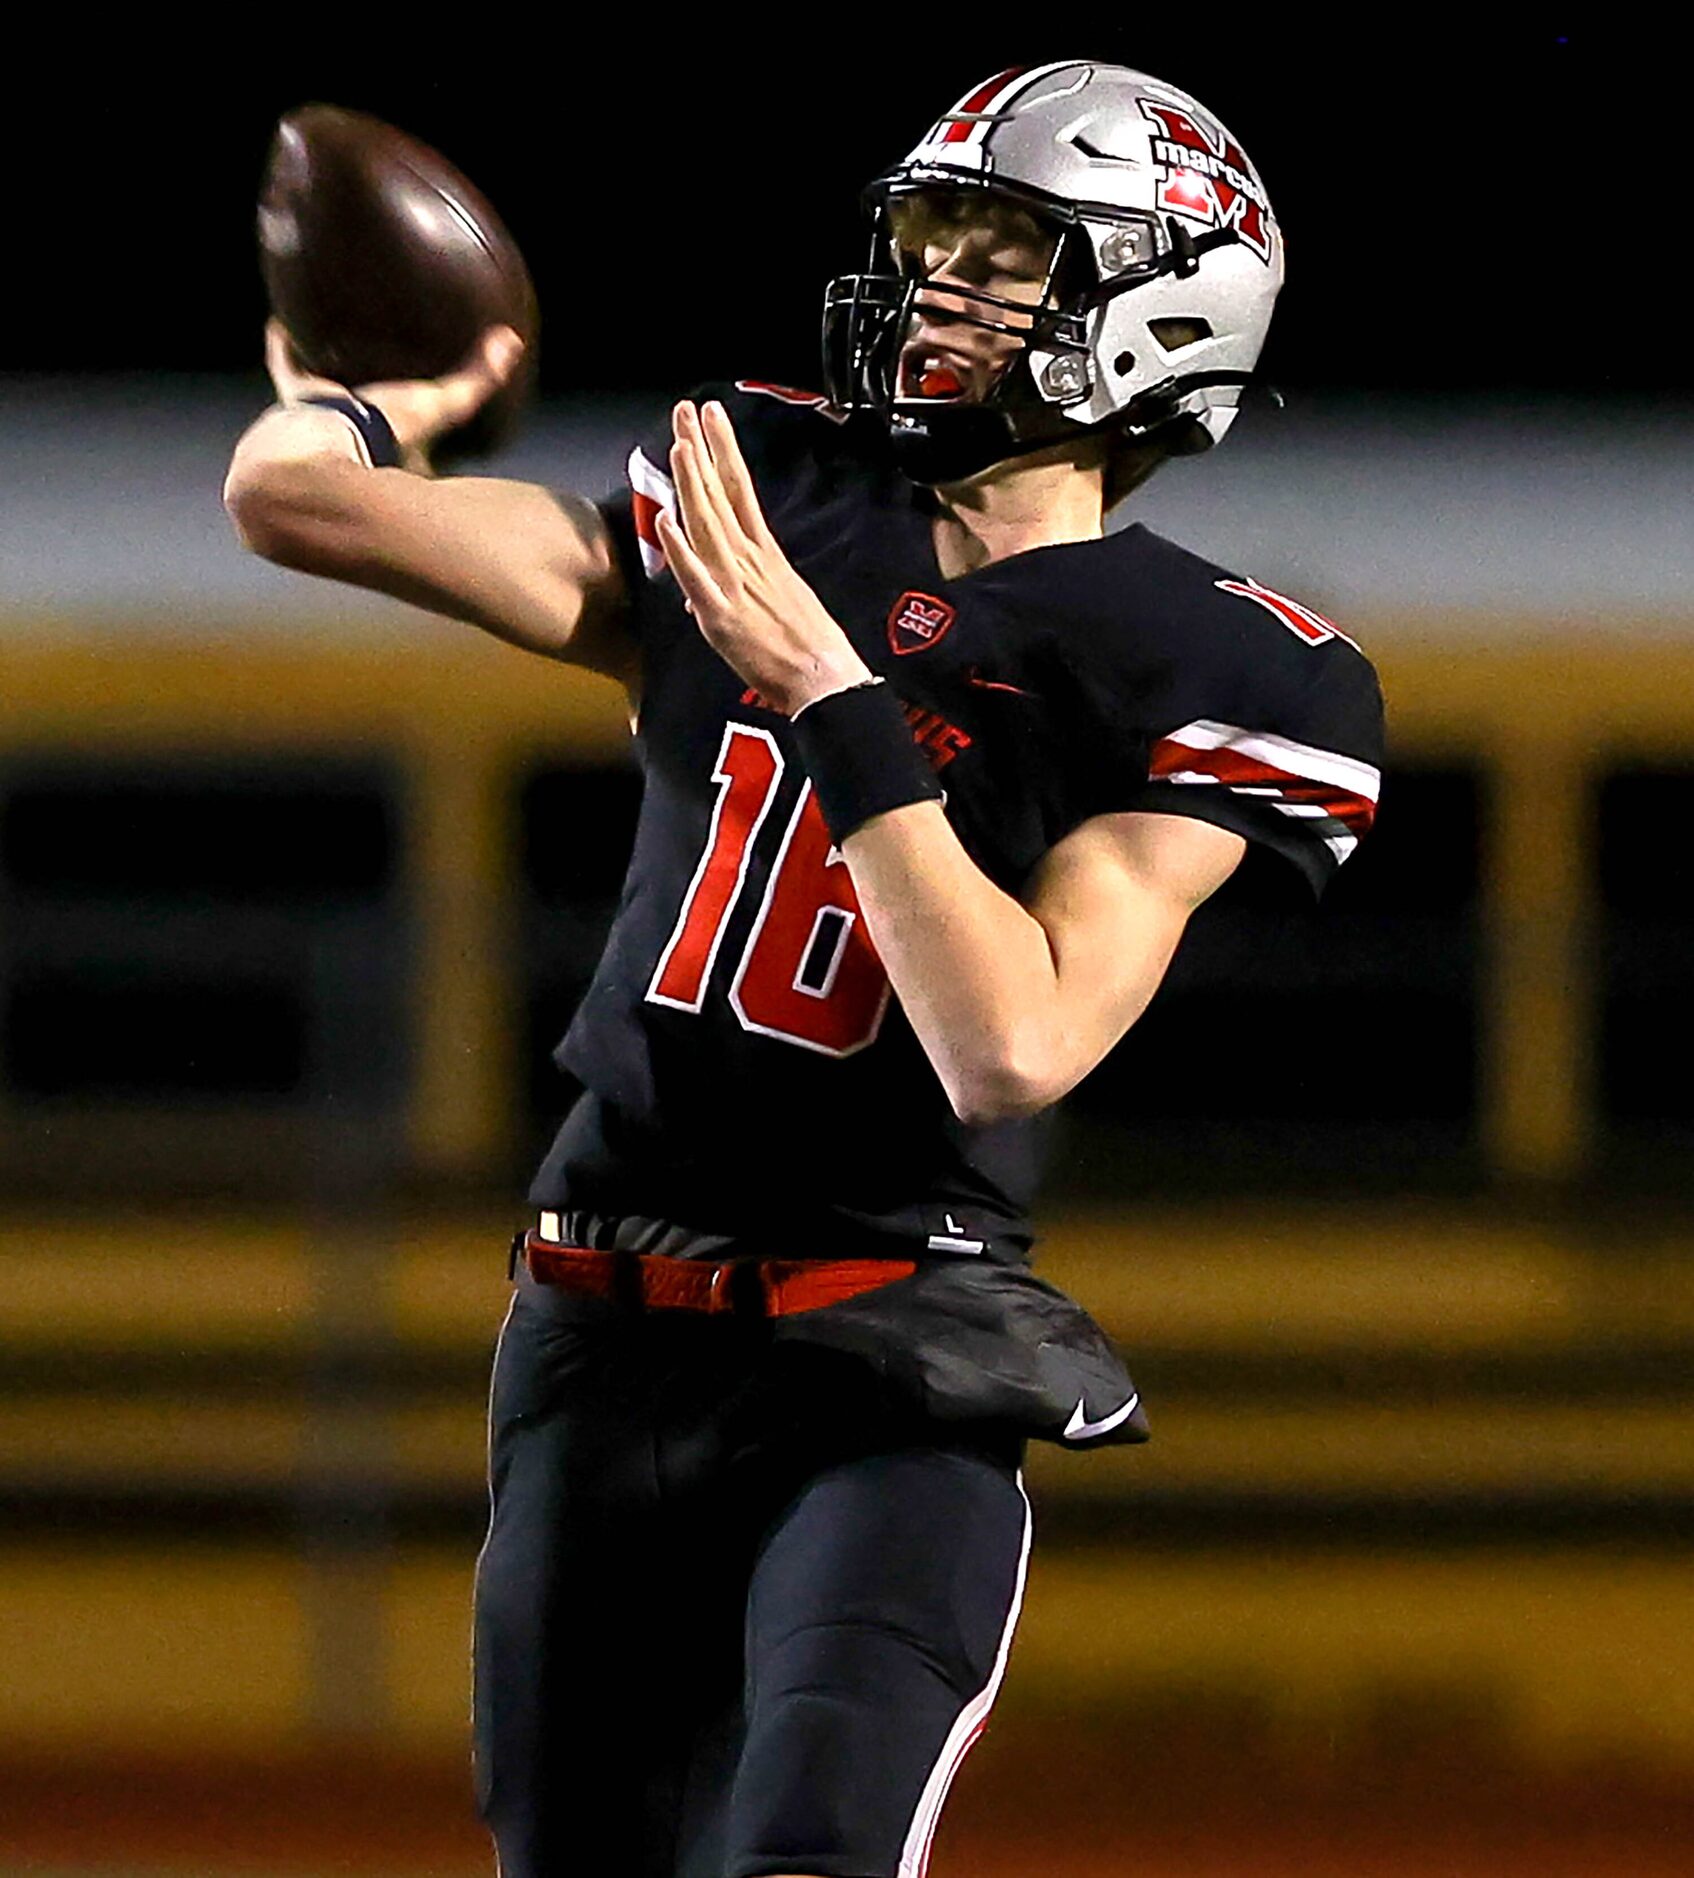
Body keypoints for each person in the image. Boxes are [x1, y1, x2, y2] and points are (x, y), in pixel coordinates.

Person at [226, 59, 1382, 1878]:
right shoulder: (762, 492)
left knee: (807, 1855)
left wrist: (832, 691)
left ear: (1152, 311)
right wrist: (388, 398)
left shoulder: (1220, 665)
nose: (938, 291)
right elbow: (297, 505)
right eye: (934, 244)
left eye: (1004, 259)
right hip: (595, 1324)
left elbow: (1009, 1040)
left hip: (888, 1360)